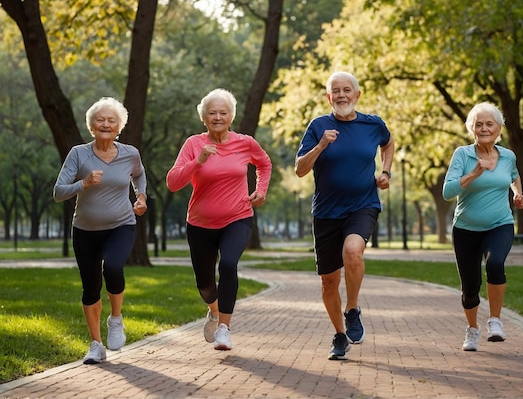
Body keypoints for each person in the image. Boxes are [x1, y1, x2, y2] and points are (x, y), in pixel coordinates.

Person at [295, 71, 394, 360]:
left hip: (362, 205)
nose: (341, 95)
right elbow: (300, 169)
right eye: (335, 91)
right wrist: (321, 145)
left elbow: (388, 143)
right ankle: (339, 335)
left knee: (353, 251)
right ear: (329, 97)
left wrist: (385, 171)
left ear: (357, 95)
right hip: (326, 211)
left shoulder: (373, 124)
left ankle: (352, 309)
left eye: (346, 90)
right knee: (328, 281)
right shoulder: (318, 126)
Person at [166, 88, 272, 351]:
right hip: (200, 224)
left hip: (237, 217)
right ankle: (213, 311)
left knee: (227, 265)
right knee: (204, 284)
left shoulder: (245, 143)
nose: (217, 117)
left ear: (231, 116)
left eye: (223, 112)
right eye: (212, 113)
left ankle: (224, 327)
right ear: (204, 118)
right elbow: (172, 182)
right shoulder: (193, 144)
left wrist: (261, 190)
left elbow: (264, 164)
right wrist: (197, 162)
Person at [53, 97, 147, 364]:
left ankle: (115, 319)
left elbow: (139, 174)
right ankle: (96, 345)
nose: (106, 124)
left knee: (114, 267)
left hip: (121, 224)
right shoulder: (78, 154)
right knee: (90, 288)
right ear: (91, 126)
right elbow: (58, 192)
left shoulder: (130, 153)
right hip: (85, 230)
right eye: (100, 119)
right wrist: (83, 183)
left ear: (120, 126)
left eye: (111, 120)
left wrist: (140, 196)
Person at [442, 102, 523, 352]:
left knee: (495, 263)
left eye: (489, 123)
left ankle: (495, 321)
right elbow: (448, 191)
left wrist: (517, 193)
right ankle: (472, 330)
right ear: (472, 129)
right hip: (466, 229)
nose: (484, 128)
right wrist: (474, 173)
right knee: (470, 287)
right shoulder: (462, 155)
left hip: (500, 224)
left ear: (499, 128)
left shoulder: (508, 155)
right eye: (478, 124)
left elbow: (513, 175)